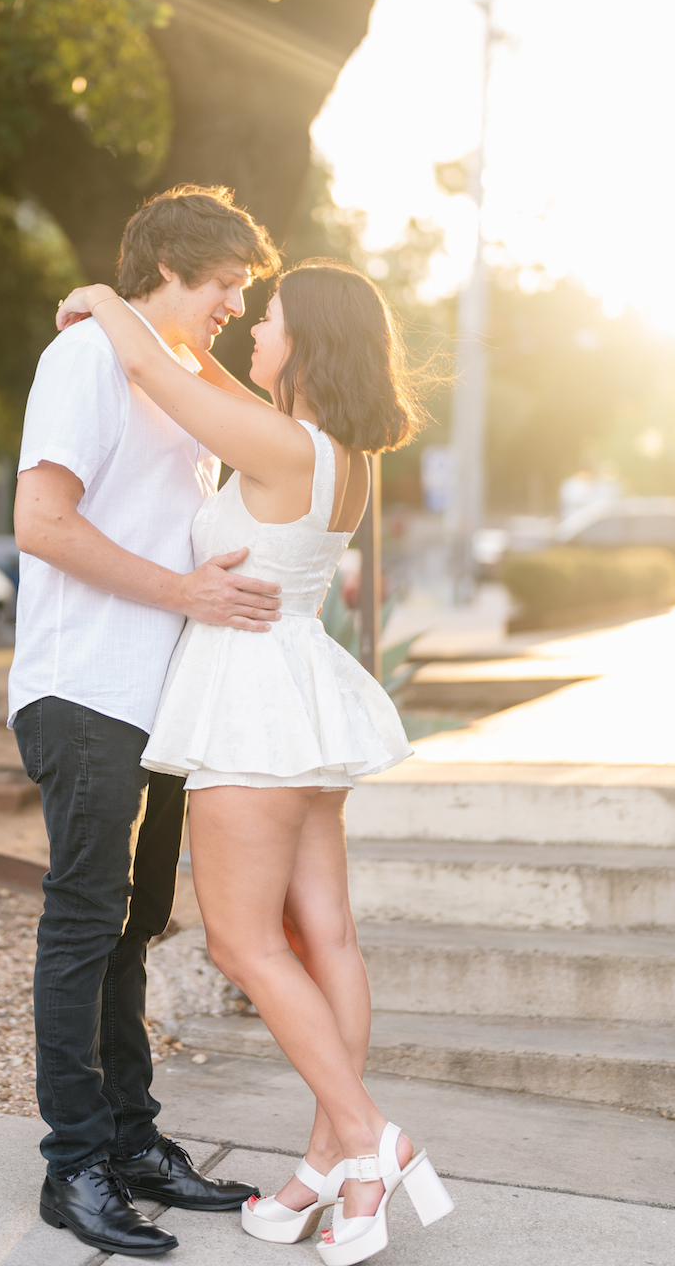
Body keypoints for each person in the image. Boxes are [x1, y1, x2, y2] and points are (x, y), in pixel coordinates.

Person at [55, 258, 455, 1266]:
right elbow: (213, 387)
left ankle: (368, 1137)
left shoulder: (281, 447)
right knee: (328, 937)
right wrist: (184, 339)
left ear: (307, 342)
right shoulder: (336, 453)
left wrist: (107, 301)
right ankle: (334, 1168)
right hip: (302, 693)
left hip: (251, 704)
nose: (253, 332)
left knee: (242, 943)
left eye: (268, 319)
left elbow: (167, 383)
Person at [8, 185, 282, 1257]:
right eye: (226, 285)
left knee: (134, 927)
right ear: (171, 261)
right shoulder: (82, 362)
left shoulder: (166, 379)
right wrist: (187, 595)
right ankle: (72, 1164)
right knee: (87, 925)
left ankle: (129, 1140)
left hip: (158, 702)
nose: (233, 305)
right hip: (85, 693)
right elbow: (41, 522)